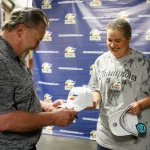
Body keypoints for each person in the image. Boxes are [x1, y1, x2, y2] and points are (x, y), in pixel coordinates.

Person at [0, 7, 77, 150]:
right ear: (21, 30)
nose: (37, 47)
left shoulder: (16, 56)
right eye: (37, 40)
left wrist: (46, 107)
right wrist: (53, 117)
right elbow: (4, 120)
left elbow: (18, 97)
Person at [88, 18, 150, 150]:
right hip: (105, 136)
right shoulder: (100, 61)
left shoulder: (143, 63)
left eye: (118, 41)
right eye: (109, 40)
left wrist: (140, 105)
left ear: (129, 39)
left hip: (135, 138)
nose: (112, 45)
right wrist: (94, 100)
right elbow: (95, 89)